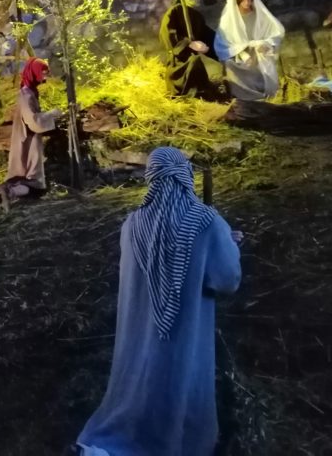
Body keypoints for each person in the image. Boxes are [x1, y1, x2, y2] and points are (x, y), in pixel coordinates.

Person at [77, 147, 243, 456]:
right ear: (184, 175)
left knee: (141, 379)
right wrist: (229, 246)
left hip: (140, 328)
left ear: (151, 177)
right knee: (183, 380)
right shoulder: (206, 222)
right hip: (185, 333)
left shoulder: (132, 225)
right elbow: (226, 279)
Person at [0, 57, 62, 211]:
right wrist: (52, 114)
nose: (45, 77)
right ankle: (8, 192)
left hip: (29, 136)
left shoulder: (30, 92)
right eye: (43, 73)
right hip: (26, 137)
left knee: (31, 175)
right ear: (34, 72)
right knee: (27, 171)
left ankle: (15, 191)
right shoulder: (26, 95)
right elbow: (33, 121)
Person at [213, 0, 285, 101]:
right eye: (244, 0)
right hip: (240, 55)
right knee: (231, 66)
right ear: (238, 1)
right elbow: (224, 44)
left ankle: (266, 93)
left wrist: (266, 43)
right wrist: (242, 52)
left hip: (259, 52)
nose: (247, 2)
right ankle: (246, 96)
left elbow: (276, 32)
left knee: (264, 63)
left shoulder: (259, 15)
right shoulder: (228, 20)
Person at [159, 0, 220, 100]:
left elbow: (207, 36)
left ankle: (200, 95)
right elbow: (168, 34)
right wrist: (189, 43)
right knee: (194, 62)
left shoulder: (197, 16)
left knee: (198, 64)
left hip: (193, 59)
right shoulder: (174, 12)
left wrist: (218, 48)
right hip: (178, 61)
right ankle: (187, 94)